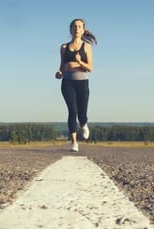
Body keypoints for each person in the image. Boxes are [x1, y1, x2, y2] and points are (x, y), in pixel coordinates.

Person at [55, 18, 97, 152]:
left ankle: (84, 124)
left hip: (82, 82)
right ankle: (74, 142)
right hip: (67, 82)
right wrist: (59, 72)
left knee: (81, 113)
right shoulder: (64, 47)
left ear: (83, 30)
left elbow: (90, 68)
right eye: (74, 26)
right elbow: (62, 65)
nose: (77, 29)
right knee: (72, 111)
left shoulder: (87, 47)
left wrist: (79, 62)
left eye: (79, 27)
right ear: (71, 29)